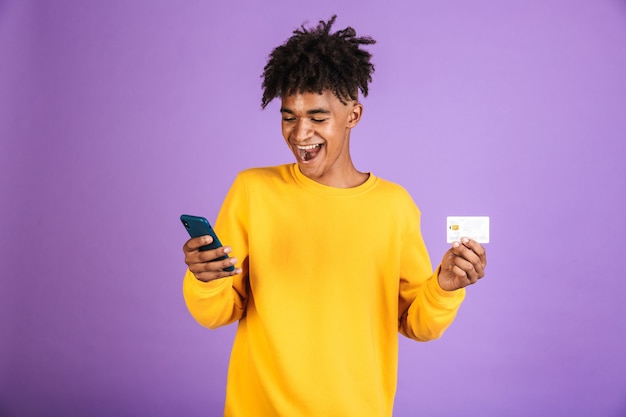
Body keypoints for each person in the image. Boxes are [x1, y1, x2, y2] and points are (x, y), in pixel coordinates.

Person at [182, 15, 487, 417]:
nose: (300, 133)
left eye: (318, 117)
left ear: (353, 116)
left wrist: (446, 287)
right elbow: (220, 312)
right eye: (288, 116)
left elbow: (417, 324)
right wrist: (204, 281)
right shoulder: (252, 191)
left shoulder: (394, 206)